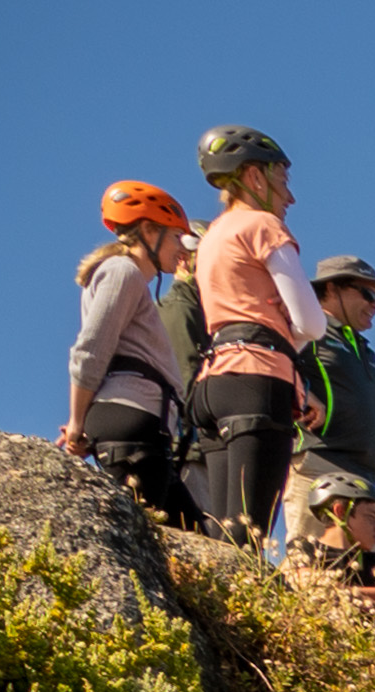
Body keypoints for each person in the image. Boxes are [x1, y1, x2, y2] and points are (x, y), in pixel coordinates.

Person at [181, 127, 325, 553]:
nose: (290, 199)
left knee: (223, 534)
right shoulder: (262, 225)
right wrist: (283, 348)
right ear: (255, 178)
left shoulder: (213, 238)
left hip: (213, 381)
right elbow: (312, 322)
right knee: (250, 535)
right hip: (258, 380)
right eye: (283, 182)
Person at [61, 182, 195, 528]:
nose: (183, 247)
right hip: (134, 422)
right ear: (149, 230)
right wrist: (77, 422)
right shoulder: (123, 272)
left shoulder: (129, 278)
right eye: (176, 236)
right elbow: (91, 349)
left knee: (197, 535)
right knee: (146, 541)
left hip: (142, 425)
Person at [288, 255, 375, 579]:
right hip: (318, 465)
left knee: (356, 577)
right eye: (368, 294)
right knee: (307, 569)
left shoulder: (366, 351)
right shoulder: (307, 332)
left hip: (364, 480)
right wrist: (302, 394)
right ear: (332, 289)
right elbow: (275, 363)